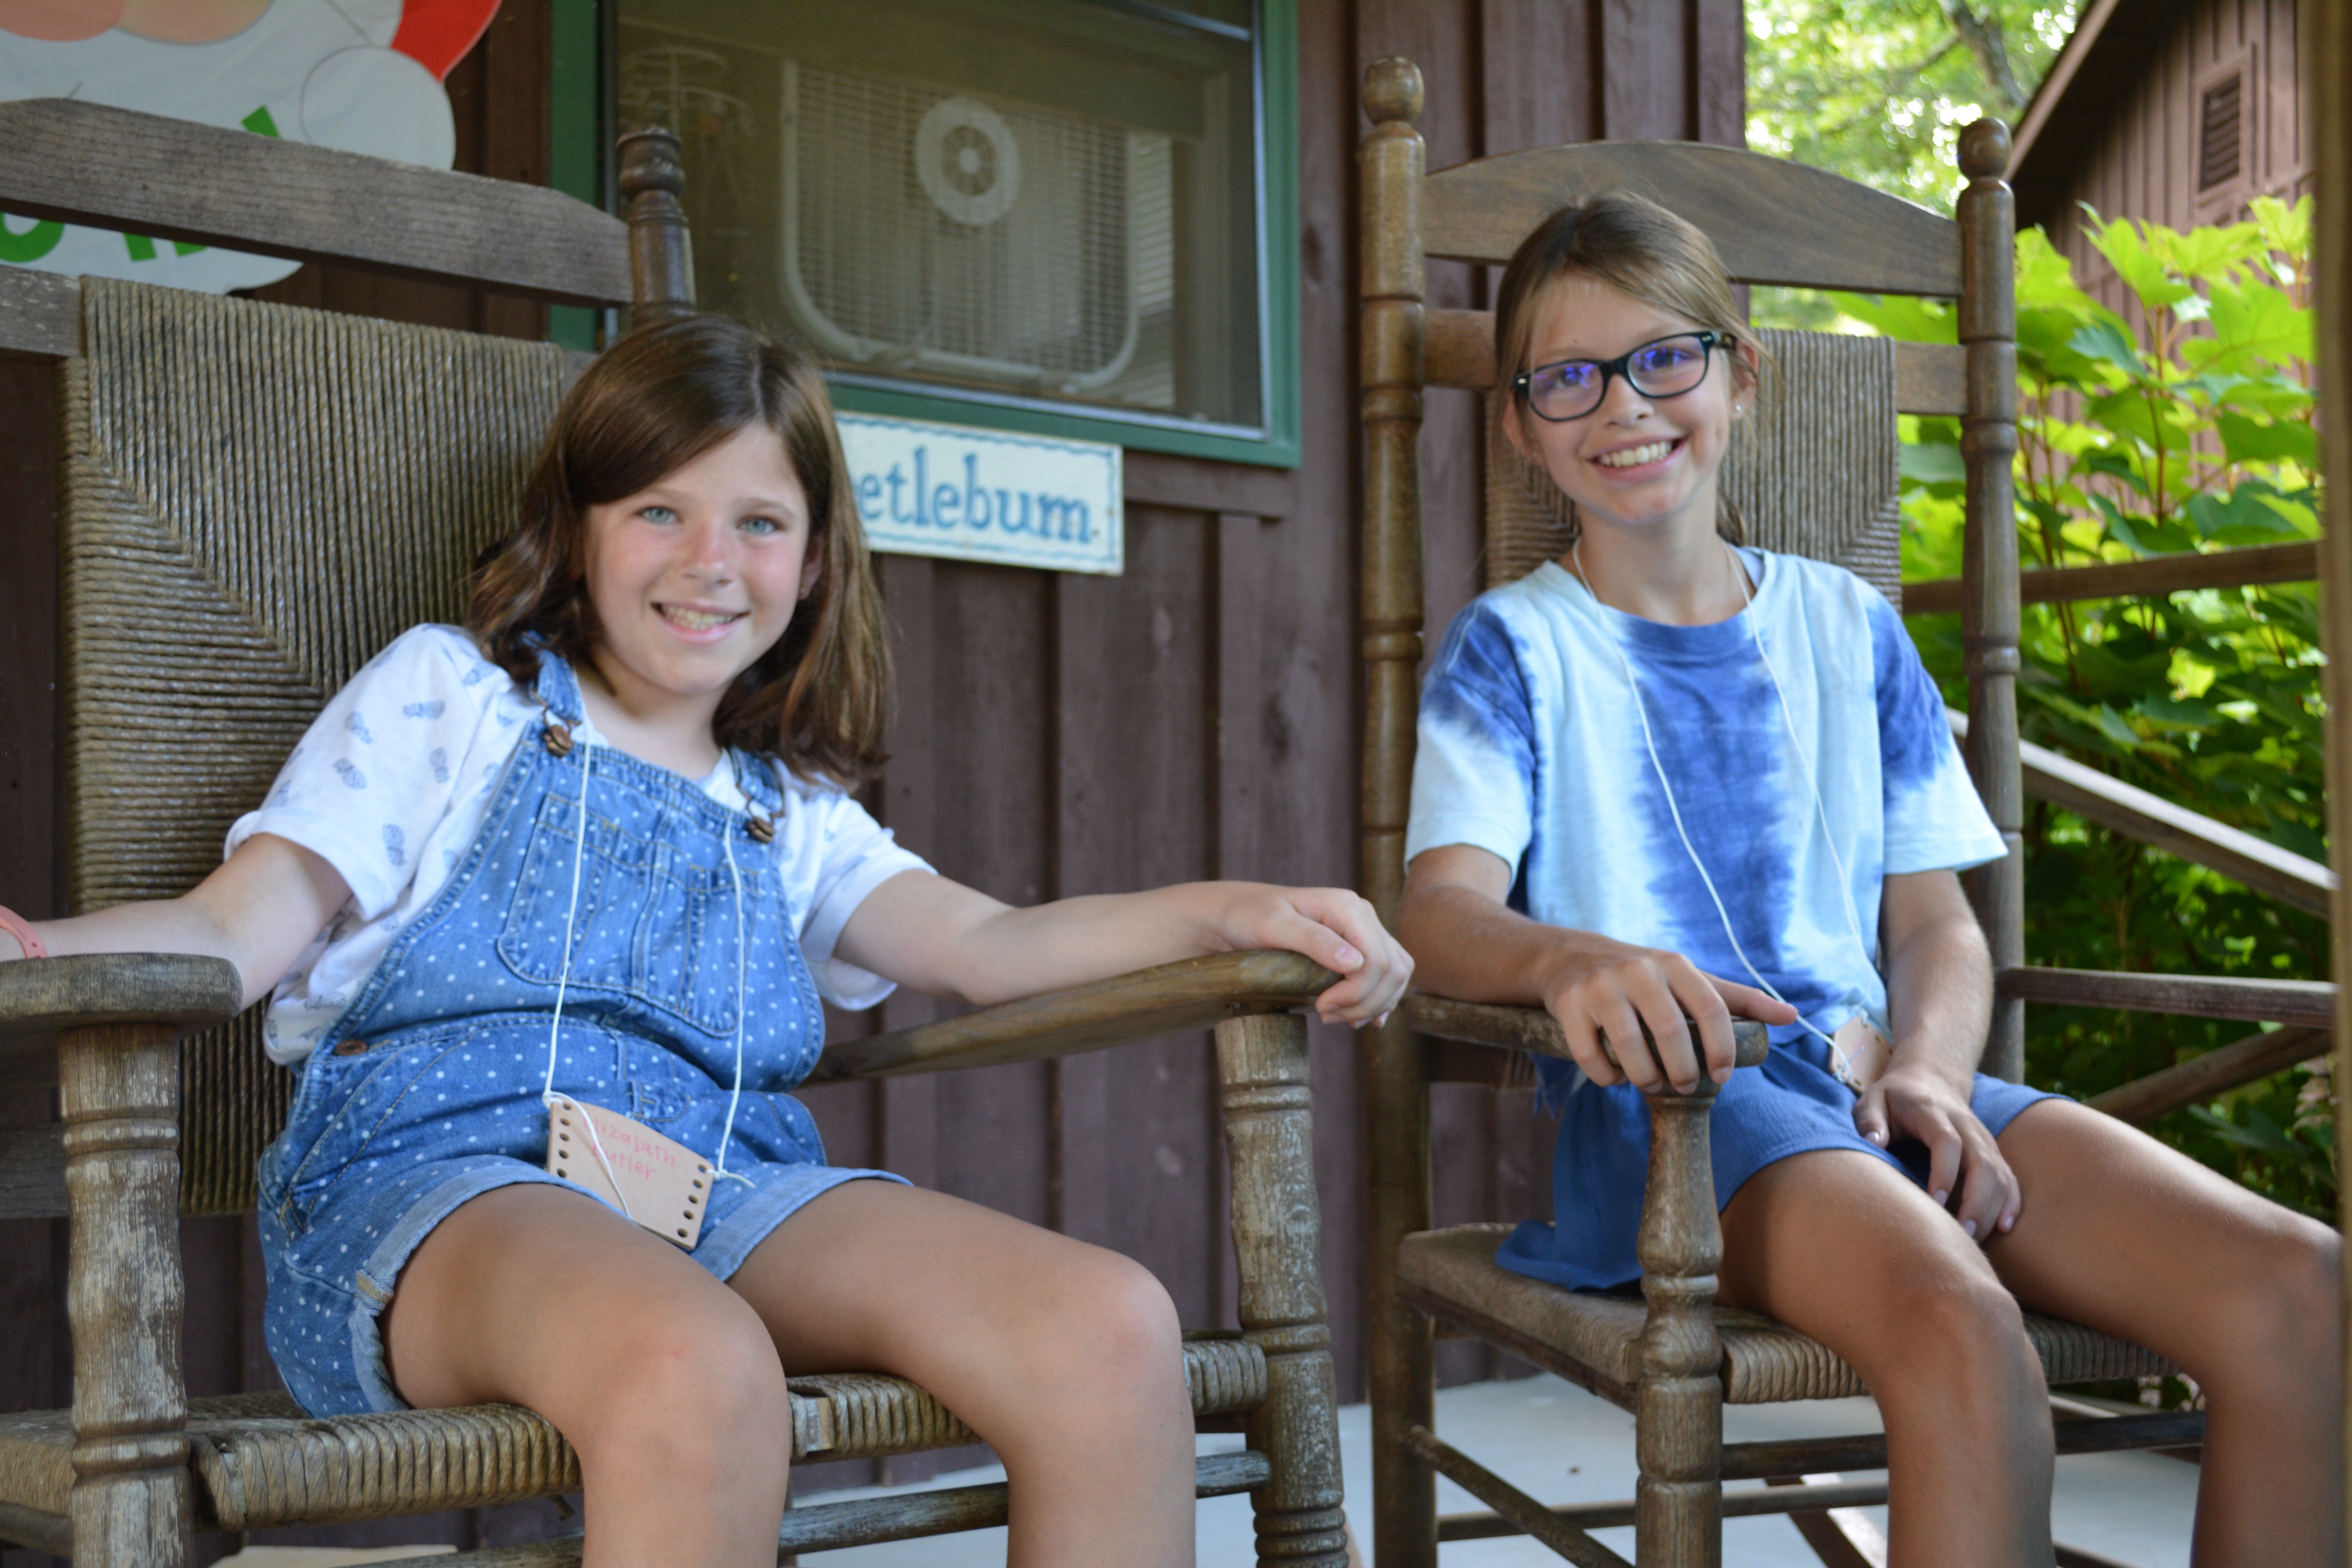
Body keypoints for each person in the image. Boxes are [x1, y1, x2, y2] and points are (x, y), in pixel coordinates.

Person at [0, 316, 1410, 1568]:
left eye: (759, 523)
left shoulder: (786, 807)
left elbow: (990, 942)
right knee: (694, 1358)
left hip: (719, 1195)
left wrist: (1233, 911)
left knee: (1108, 1325)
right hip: (435, 1199)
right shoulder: (459, 700)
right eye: (659, 511)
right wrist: (32, 949)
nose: (709, 563)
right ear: (580, 530)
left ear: (814, 560)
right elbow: (231, 931)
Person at [1394, 192, 2341, 1567]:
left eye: (1664, 358)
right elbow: (1439, 915)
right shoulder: (1511, 651)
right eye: (1568, 378)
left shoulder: (1851, 627)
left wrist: (1937, 1077)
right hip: (1682, 1113)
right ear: (1521, 425)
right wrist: (1571, 958)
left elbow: (1937, 923)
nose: (1623, 406)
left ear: (1740, 374)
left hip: (1885, 1082)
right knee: (1964, 1331)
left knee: (2300, 1286)